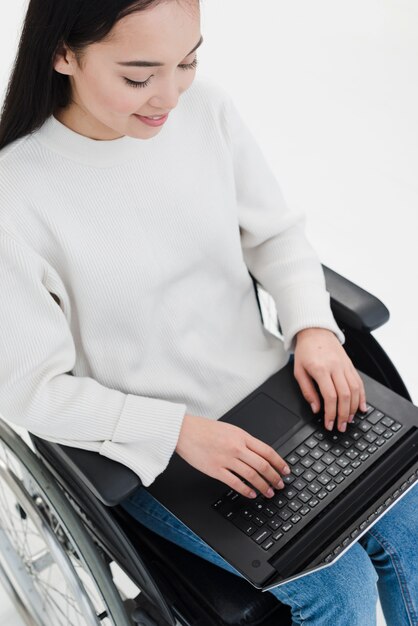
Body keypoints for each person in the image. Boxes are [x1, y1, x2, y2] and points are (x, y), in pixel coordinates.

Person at [0, 1, 417, 624]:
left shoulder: (206, 111)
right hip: (158, 451)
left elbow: (274, 235)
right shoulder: (17, 196)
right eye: (139, 77)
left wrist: (312, 327)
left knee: (412, 531)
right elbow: (29, 390)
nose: (168, 96)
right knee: (339, 588)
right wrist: (178, 430)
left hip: (277, 394)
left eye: (188, 61)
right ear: (63, 54)